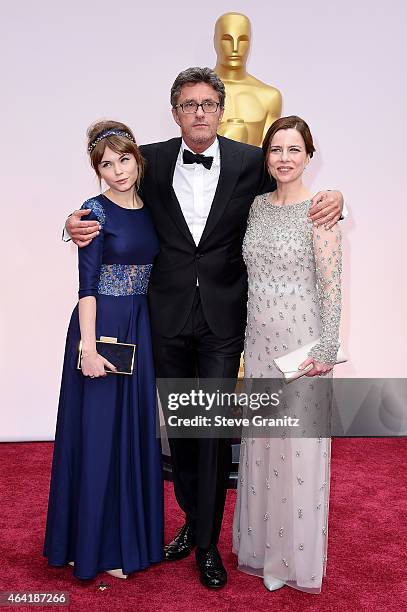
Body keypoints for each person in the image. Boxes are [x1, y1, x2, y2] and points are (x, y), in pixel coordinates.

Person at [65, 67, 344, 589]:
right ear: (175, 112)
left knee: (212, 430)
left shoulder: (248, 161)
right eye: (189, 105)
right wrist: (69, 225)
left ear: (221, 110)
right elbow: (110, 196)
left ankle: (210, 545)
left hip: (224, 318)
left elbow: (294, 184)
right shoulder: (148, 160)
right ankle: (192, 522)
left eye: (208, 104)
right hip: (163, 318)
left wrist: (339, 199)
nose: (199, 113)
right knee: (182, 432)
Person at [44, 121, 164, 580]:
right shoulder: (93, 213)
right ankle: (90, 546)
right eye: (106, 164)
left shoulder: (151, 204)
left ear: (137, 158)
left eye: (124, 159)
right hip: (101, 328)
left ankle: (125, 540)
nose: (117, 171)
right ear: (97, 169)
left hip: (140, 327)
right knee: (96, 436)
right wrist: (88, 349)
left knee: (130, 435)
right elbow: (86, 287)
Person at [233, 115, 342, 594]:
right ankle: (260, 551)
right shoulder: (256, 206)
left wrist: (327, 349)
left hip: (302, 345)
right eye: (276, 149)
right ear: (266, 156)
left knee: (298, 453)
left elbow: (332, 284)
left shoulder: (320, 210)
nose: (283, 158)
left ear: (309, 157)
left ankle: (292, 562)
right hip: (259, 344)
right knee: (263, 450)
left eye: (293, 150)